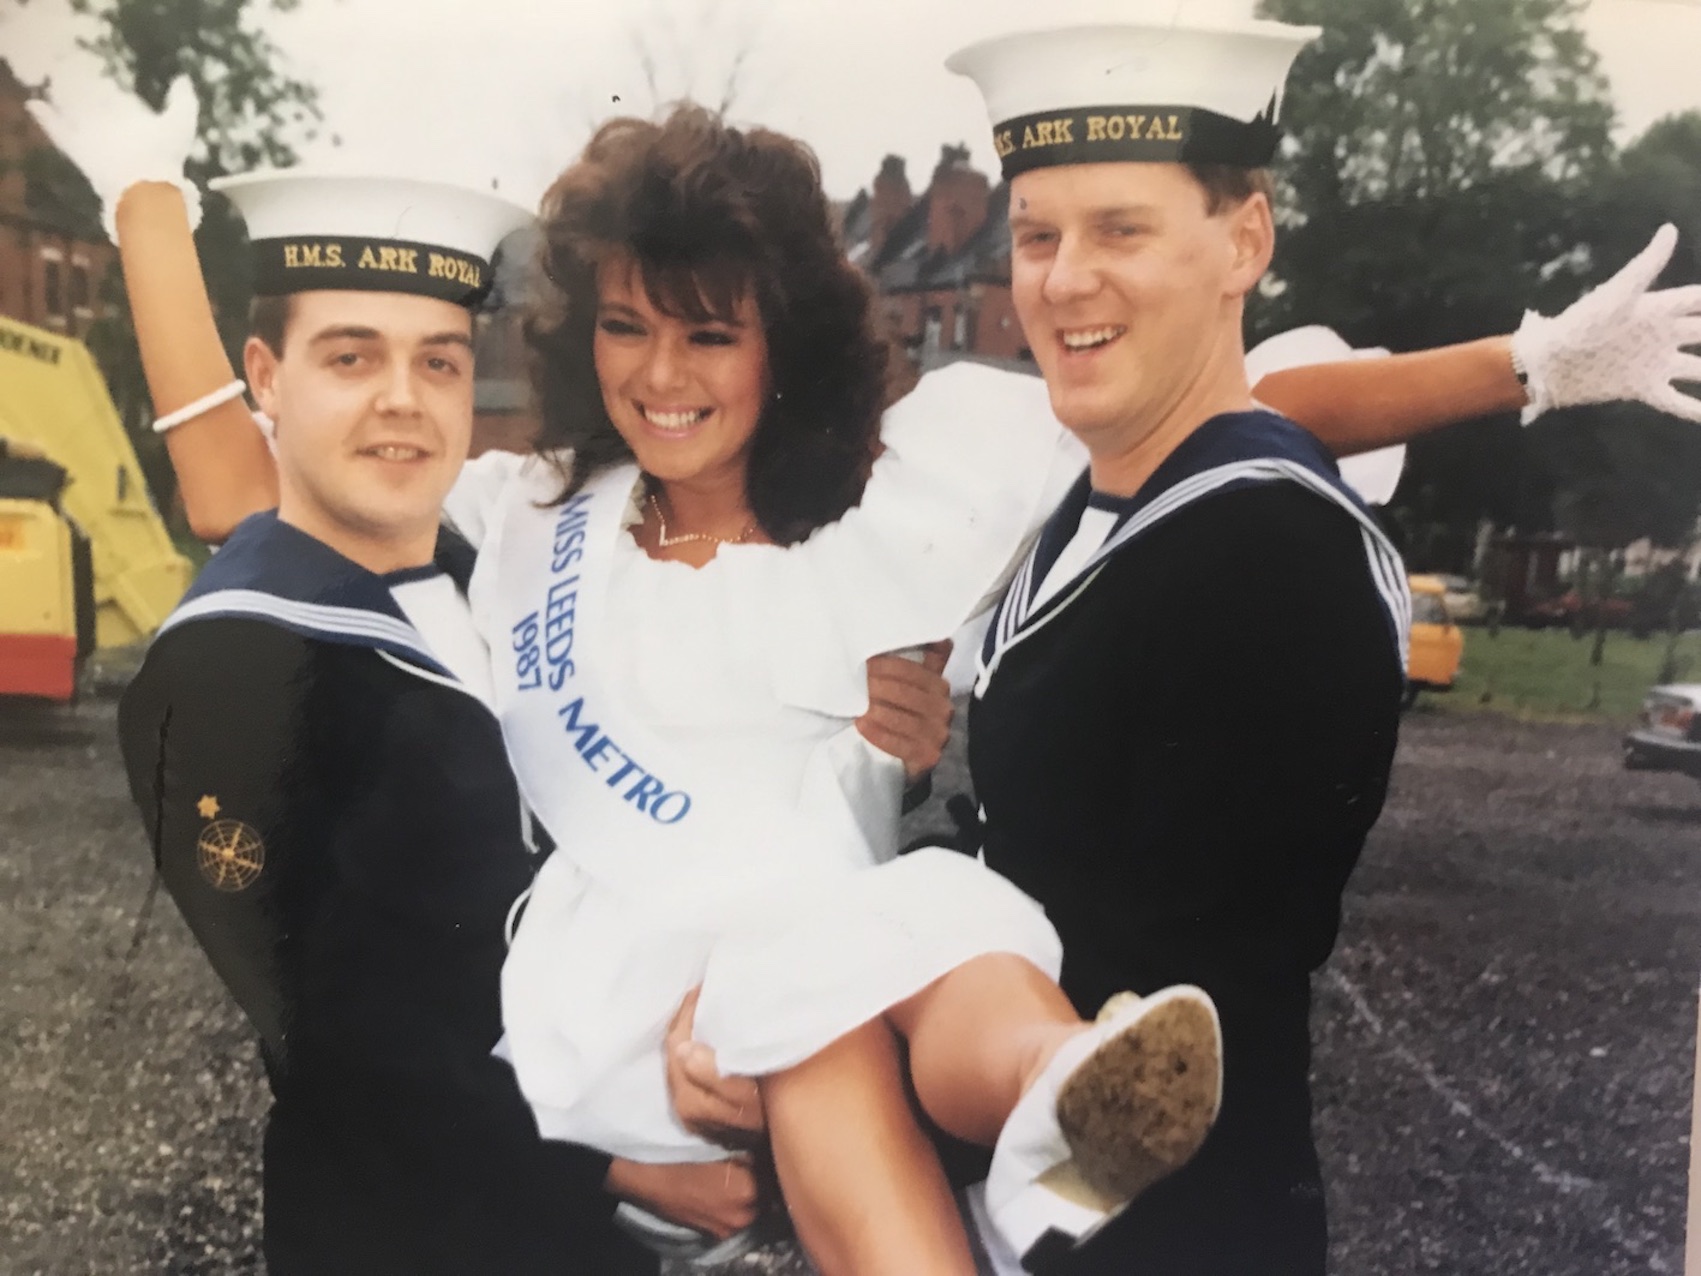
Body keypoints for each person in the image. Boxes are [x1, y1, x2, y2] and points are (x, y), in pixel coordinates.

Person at [48, 65, 1701, 1274]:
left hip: (846, 947)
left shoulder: (891, 516)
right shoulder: (521, 513)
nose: (665, 375)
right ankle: (1024, 1153)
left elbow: (1220, 413)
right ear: (578, 340)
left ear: (785, 344)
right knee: (836, 1010)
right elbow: (246, 488)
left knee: (937, 935)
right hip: (634, 987)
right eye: (628, 328)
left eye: (711, 332)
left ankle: (1070, 1103)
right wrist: (146, 208)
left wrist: (1531, 369)